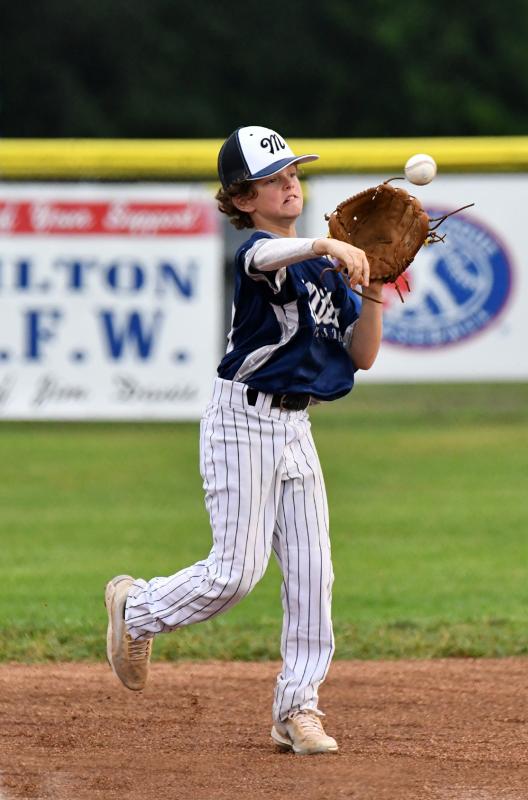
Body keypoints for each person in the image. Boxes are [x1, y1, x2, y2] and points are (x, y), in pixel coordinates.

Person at [105, 125, 384, 755]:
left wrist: (374, 285)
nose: (289, 184)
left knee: (313, 574)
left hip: (296, 426)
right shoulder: (259, 252)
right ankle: (135, 608)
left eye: (293, 173)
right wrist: (327, 243)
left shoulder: (326, 267)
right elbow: (262, 259)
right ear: (241, 198)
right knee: (235, 574)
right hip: (243, 421)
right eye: (272, 178)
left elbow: (362, 355)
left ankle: (298, 709)